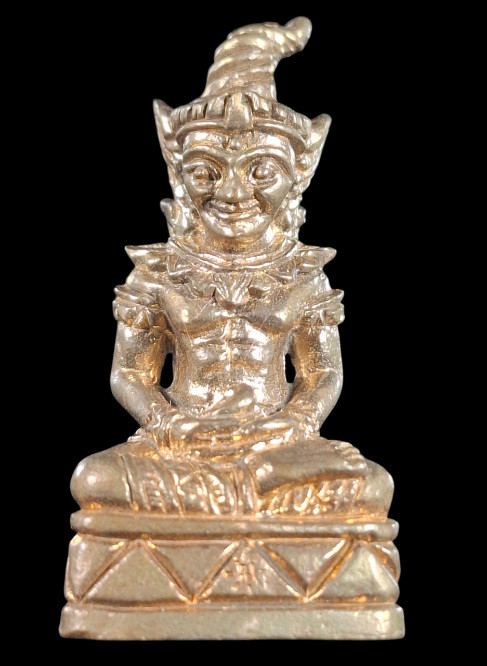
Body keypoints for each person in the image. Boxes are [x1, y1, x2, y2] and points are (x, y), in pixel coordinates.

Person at [71, 18, 392, 517]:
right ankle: (256, 492)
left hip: (277, 439)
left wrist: (294, 424)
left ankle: (243, 488)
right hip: (181, 441)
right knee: (95, 478)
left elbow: (323, 373)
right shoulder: (158, 272)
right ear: (179, 175)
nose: (234, 193)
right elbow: (129, 373)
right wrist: (170, 424)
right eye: (206, 171)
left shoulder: (304, 274)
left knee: (372, 486)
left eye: (262, 170)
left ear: (298, 175)